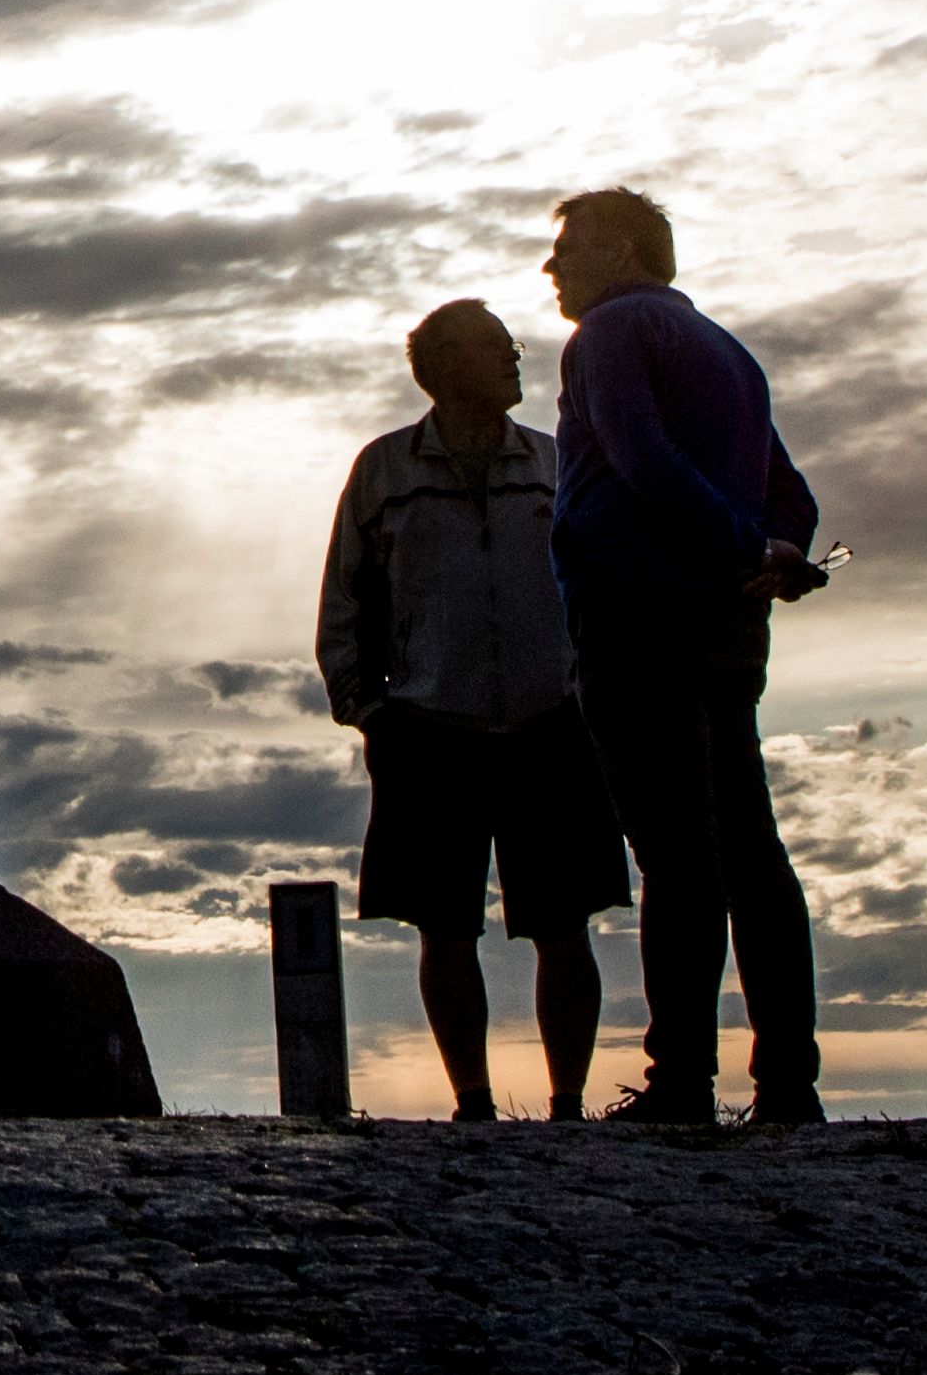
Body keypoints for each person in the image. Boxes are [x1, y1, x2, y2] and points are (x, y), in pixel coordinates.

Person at [541, 186, 827, 1128]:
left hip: (637, 614)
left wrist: (745, 549)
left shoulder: (607, 336)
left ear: (623, 249)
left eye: (569, 245)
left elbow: (638, 455)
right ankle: (788, 1082)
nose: (553, 266)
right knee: (750, 847)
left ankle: (681, 1086)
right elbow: (792, 492)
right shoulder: (727, 352)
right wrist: (774, 552)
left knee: (676, 855)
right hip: (726, 627)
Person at [315, 299, 617, 1117]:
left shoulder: (557, 463)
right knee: (443, 926)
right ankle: (472, 1101)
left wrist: (592, 693)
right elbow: (345, 599)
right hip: (427, 729)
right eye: (494, 347)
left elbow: (601, 585)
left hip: (552, 725)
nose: (514, 359)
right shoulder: (383, 470)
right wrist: (368, 710)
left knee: (564, 925)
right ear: (441, 364)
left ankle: (567, 1103)